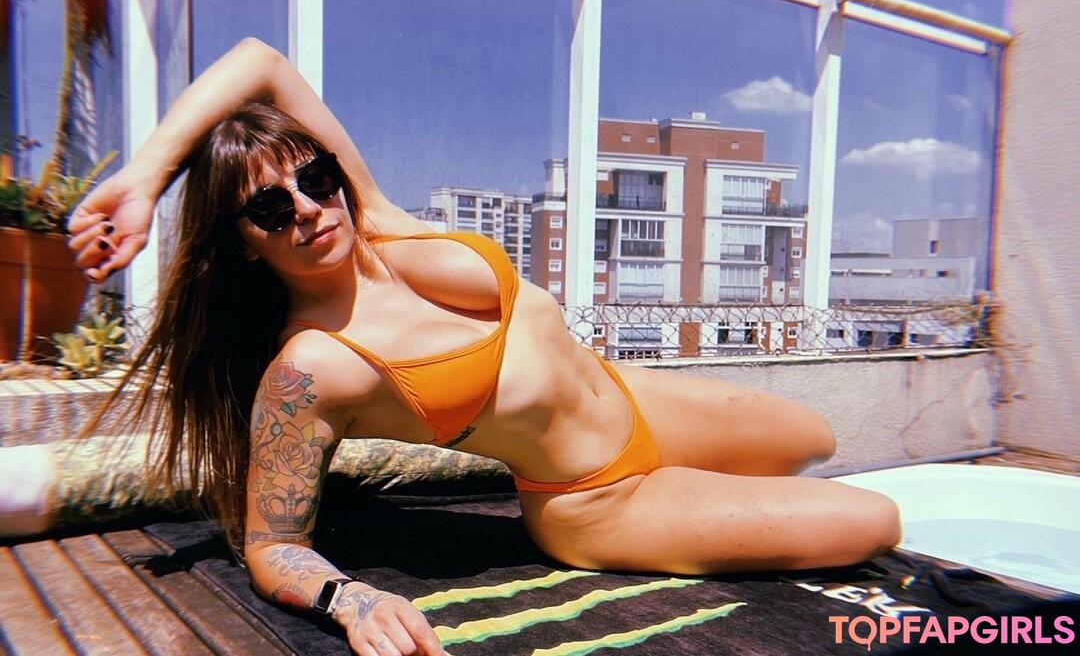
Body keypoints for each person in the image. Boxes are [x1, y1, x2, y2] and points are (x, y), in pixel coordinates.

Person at [68, 37, 900, 656]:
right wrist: (351, 600)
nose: (310, 209)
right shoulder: (313, 365)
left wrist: (142, 178)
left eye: (314, 179)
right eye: (271, 208)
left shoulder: (379, 219)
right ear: (245, 242)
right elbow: (271, 544)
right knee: (874, 519)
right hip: (598, 492)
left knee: (815, 437)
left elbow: (260, 61)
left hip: (637, 395)